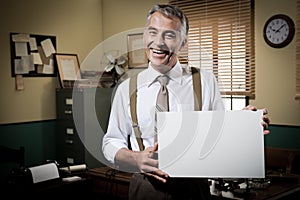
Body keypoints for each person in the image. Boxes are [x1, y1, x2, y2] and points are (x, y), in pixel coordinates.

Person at [102, 4, 270, 200]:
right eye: (152, 32)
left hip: (193, 189)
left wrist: (244, 127)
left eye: (169, 35)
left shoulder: (205, 81)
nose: (159, 42)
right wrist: (136, 159)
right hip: (144, 188)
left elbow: (218, 137)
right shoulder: (126, 89)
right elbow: (110, 142)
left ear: (183, 43)